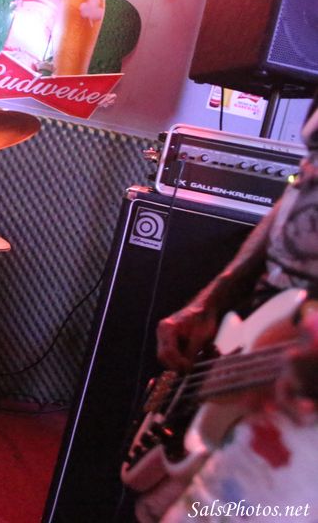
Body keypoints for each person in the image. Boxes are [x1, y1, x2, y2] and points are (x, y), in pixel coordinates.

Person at [136, 97, 318, 521]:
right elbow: (303, 184)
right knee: (155, 507)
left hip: (302, 420)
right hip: (259, 344)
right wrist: (214, 298)